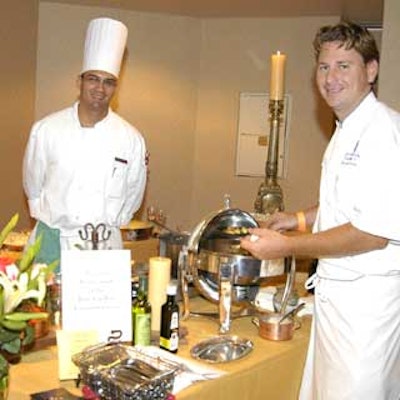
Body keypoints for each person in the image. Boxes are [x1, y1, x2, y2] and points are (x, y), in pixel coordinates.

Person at [241, 21, 400, 399]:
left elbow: (371, 233)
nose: (330, 78)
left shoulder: (383, 133)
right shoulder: (345, 129)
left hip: (366, 308)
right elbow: (344, 202)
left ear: (371, 70)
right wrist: (297, 219)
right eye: (324, 67)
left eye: (344, 66)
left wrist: (286, 246)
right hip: (336, 301)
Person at [23, 17, 147, 254]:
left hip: (104, 246)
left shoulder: (131, 139)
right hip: (53, 241)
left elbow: (133, 196)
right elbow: (33, 186)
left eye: (109, 82)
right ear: (79, 81)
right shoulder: (46, 129)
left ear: (115, 87)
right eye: (93, 79)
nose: (100, 89)